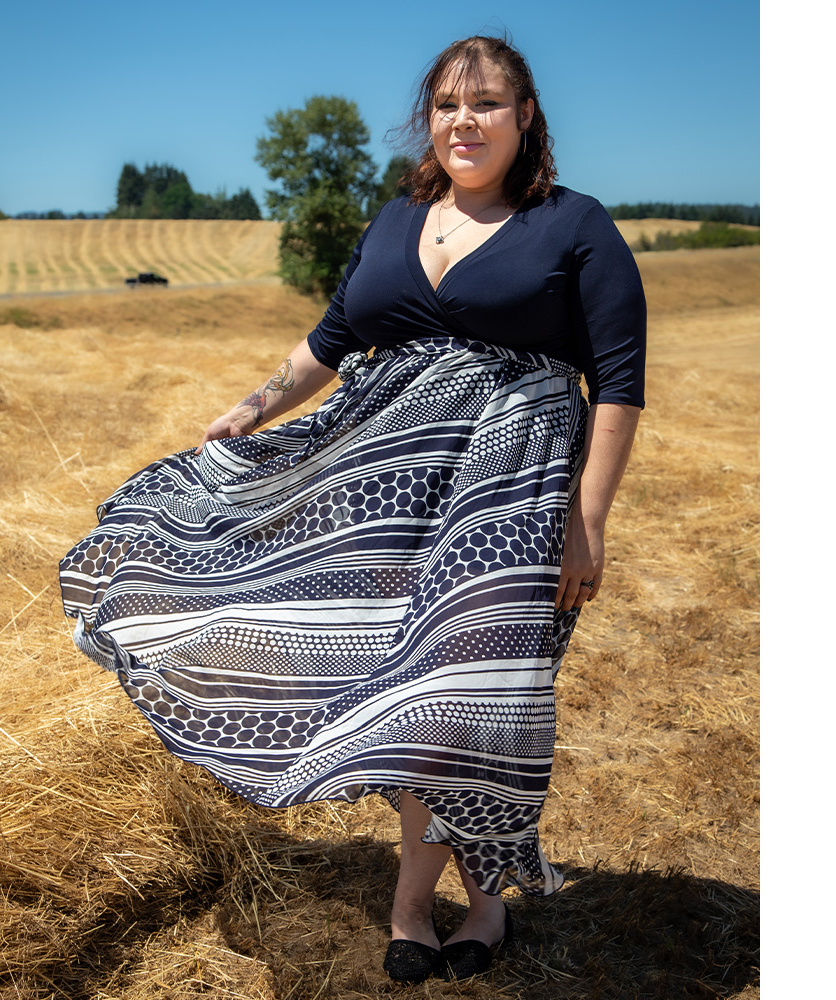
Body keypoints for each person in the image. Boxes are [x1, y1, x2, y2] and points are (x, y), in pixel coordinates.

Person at [59, 33, 645, 985]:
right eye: (449, 103)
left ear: (525, 117)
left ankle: (435, 902)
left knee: (460, 690)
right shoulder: (394, 219)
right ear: (431, 119)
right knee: (401, 694)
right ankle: (464, 900)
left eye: (488, 102)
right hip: (379, 496)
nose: (467, 120)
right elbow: (329, 341)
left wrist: (589, 522)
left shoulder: (574, 225)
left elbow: (617, 383)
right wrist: (247, 413)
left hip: (506, 494)